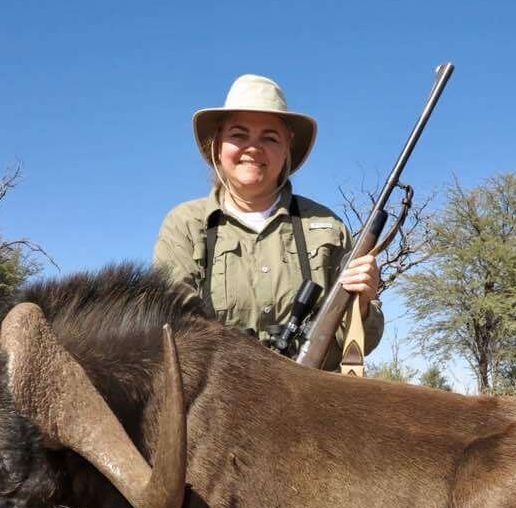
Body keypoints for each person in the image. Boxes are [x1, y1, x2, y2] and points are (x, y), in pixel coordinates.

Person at [153, 74, 383, 370]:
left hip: (313, 398)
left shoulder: (327, 226)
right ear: (218, 145)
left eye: (269, 137)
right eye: (239, 135)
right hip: (219, 400)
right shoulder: (185, 224)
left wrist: (362, 304)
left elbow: (360, 344)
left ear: (286, 148)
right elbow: (172, 328)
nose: (253, 147)